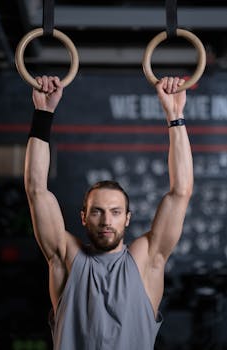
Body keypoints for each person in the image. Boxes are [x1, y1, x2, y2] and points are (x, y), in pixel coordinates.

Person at [24, 75, 193, 350]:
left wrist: (175, 115)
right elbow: (36, 190)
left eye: (115, 212)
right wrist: (43, 112)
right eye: (97, 212)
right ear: (83, 217)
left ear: (127, 218)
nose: (106, 220)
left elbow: (181, 192)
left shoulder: (146, 260)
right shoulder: (66, 258)